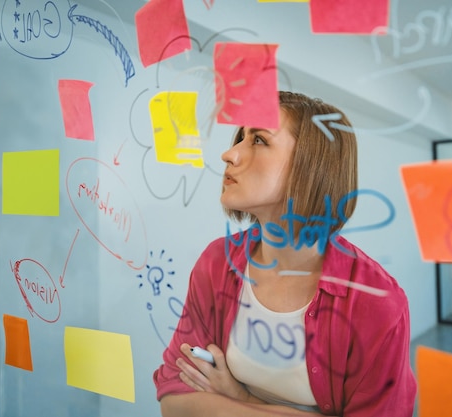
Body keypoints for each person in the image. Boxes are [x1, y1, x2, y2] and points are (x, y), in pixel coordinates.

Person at [153, 91, 417, 416]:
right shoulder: (217, 262)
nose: (229, 154)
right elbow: (173, 398)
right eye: (240, 138)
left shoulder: (377, 303)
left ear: (310, 166)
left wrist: (240, 398)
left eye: (259, 141)